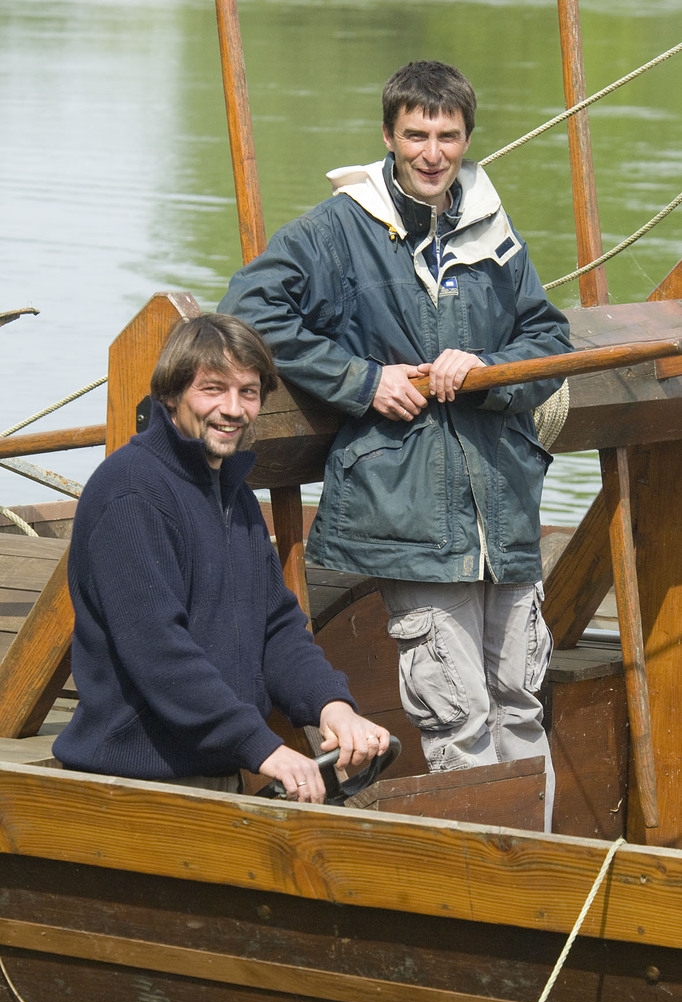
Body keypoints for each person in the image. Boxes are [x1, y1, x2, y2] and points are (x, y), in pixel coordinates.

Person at [219, 61, 572, 830]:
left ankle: (538, 880)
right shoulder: (340, 227)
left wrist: (489, 370)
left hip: (502, 509)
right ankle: (490, 893)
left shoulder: (489, 221)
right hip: (410, 512)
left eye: (448, 136)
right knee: (459, 713)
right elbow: (247, 309)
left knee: (521, 699)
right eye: (416, 134)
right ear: (388, 135)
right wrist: (360, 379)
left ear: (467, 140)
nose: (433, 152)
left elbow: (547, 334)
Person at [53, 312, 390, 803]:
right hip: (131, 786)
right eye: (213, 389)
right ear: (171, 395)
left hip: (217, 776)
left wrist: (332, 706)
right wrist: (263, 747)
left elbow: (275, 627)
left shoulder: (235, 496)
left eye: (248, 392)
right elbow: (158, 651)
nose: (233, 409)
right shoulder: (130, 493)